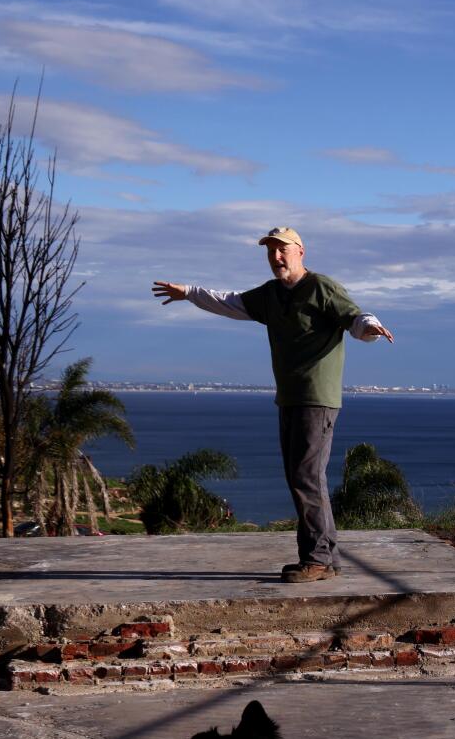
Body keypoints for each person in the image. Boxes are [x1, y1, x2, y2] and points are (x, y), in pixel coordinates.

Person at [152, 228, 394, 582]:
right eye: (271, 252)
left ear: (301, 251)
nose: (277, 257)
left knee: (306, 477)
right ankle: (326, 558)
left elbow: (354, 317)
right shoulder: (271, 295)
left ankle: (317, 559)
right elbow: (229, 301)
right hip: (290, 397)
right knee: (305, 477)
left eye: (283, 250)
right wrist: (189, 293)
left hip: (316, 398)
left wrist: (371, 328)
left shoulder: (321, 287)